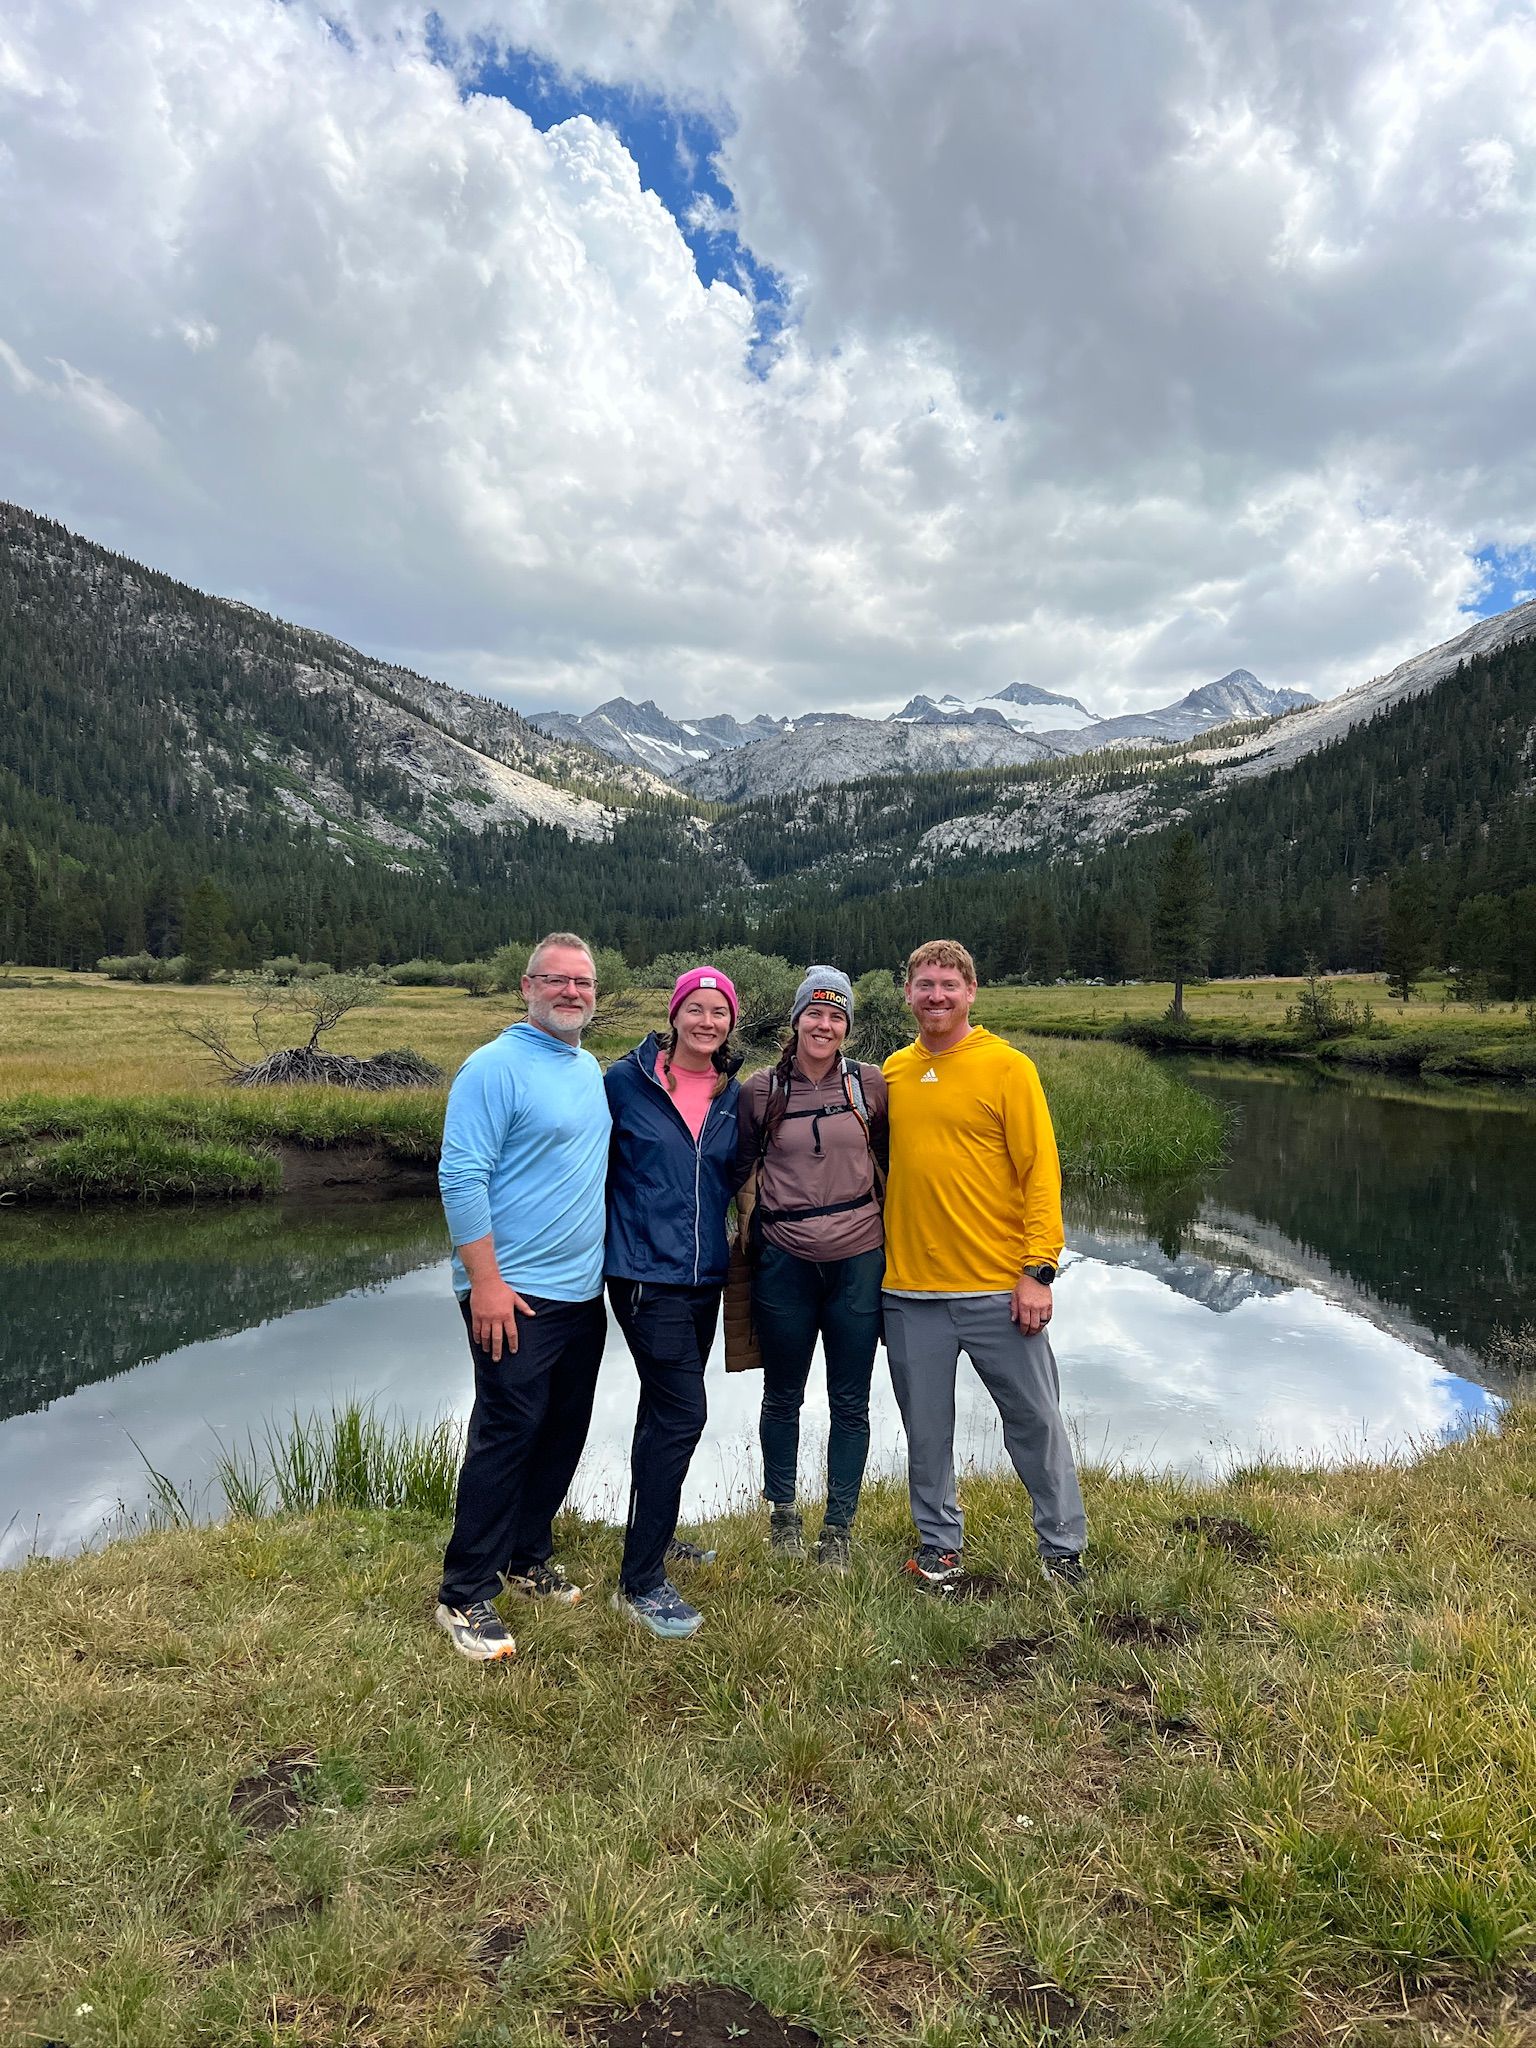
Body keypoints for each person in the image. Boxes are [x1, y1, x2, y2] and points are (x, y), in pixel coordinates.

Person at [881, 938, 1086, 1588]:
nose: (936, 995)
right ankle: (939, 1547)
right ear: (907, 993)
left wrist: (1039, 1270)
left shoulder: (1008, 1067)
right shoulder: (890, 1073)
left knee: (1034, 1422)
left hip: (1000, 1289)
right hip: (910, 1292)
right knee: (927, 1432)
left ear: (971, 992)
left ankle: (1062, 1550)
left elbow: (1041, 1173)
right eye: (924, 984)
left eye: (948, 984)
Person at [434, 932, 611, 1662]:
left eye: (584, 984)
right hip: (512, 1293)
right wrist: (486, 1283)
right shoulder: (493, 1067)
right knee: (507, 1431)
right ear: (526, 986)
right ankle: (464, 1592)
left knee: (563, 1427)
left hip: (580, 1290)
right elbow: (460, 1177)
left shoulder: (586, 1065)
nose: (572, 993)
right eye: (557, 980)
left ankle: (525, 1556)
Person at [605, 966, 745, 1638]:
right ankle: (641, 1584)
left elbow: (738, 1179)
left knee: (658, 1413)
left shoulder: (731, 1094)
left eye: (719, 1012)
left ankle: (653, 1538)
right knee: (683, 1413)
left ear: (732, 1023)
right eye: (696, 1008)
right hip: (642, 1277)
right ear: (675, 1014)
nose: (707, 1021)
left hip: (703, 1280)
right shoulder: (623, 1084)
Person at [737, 966, 887, 1568]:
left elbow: (893, 1163)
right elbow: (741, 1170)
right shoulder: (760, 1090)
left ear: (846, 1025)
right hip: (784, 1262)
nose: (824, 1024)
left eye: (836, 1015)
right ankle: (783, 1518)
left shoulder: (871, 1086)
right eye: (814, 1013)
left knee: (851, 1401)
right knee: (783, 1395)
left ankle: (838, 1531)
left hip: (858, 1260)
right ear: (796, 1019)